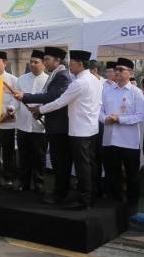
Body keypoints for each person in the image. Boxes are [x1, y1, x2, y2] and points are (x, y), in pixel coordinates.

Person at [27, 50, 102, 209]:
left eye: (72, 63)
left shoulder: (79, 82)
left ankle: (84, 200)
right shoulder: (95, 80)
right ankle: (90, 196)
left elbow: (60, 102)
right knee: (88, 165)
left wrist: (40, 110)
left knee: (83, 167)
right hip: (91, 128)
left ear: (80, 64)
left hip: (79, 130)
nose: (70, 66)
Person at [14, 47, 73, 204]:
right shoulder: (53, 75)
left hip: (54, 127)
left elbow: (51, 97)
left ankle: (56, 192)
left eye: (46, 59)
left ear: (57, 61)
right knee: (28, 157)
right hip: (30, 124)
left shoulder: (61, 76)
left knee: (53, 161)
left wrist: (30, 101)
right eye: (32, 61)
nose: (43, 62)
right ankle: (27, 184)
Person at [100, 57, 144, 214]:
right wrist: (104, 119)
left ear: (130, 73)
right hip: (110, 139)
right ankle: (116, 202)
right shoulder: (107, 90)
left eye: (121, 70)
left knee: (132, 176)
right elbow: (99, 111)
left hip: (129, 141)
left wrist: (120, 119)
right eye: (116, 70)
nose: (117, 72)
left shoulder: (136, 92)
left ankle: (133, 204)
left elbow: (141, 116)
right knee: (113, 174)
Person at [15, 50, 48, 193]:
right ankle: (24, 183)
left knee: (39, 157)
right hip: (23, 124)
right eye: (31, 62)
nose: (33, 64)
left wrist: (41, 111)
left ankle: (39, 185)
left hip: (40, 127)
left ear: (43, 64)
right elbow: (14, 99)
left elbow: (51, 101)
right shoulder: (21, 79)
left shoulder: (49, 80)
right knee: (24, 156)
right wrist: (11, 109)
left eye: (36, 62)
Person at [0, 51, 19, 188]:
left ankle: (9, 178)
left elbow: (16, 101)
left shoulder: (13, 80)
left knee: (8, 153)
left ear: (5, 63)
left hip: (7, 124)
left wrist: (7, 114)